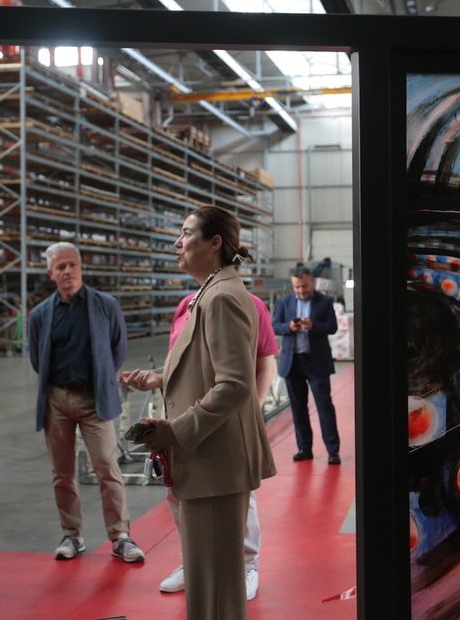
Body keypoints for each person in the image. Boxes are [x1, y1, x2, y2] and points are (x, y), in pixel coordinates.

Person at [120, 206, 276, 620]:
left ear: (214, 243)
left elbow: (235, 385)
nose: (177, 242)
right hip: (207, 461)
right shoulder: (209, 294)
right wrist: (162, 379)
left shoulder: (222, 298)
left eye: (187, 233)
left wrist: (175, 430)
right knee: (208, 583)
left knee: (215, 590)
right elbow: (207, 370)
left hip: (215, 463)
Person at [156, 290, 278, 601]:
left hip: (226, 416)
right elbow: (174, 361)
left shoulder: (250, 304)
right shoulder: (186, 304)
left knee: (239, 492)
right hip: (184, 414)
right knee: (178, 490)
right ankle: (193, 562)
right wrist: (159, 386)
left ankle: (247, 567)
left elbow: (265, 361)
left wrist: (254, 409)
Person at [27, 242, 144, 563]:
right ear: (50, 273)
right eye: (60, 267)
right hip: (56, 399)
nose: (68, 271)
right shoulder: (40, 315)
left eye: (72, 265)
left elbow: (118, 349)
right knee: (62, 472)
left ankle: (120, 536)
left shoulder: (105, 305)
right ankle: (72, 534)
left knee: (107, 466)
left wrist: (101, 378)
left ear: (81, 268)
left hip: (95, 398)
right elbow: (37, 359)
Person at [272, 267, 341, 464]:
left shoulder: (324, 301)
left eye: (304, 286)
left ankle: (333, 451)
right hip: (293, 363)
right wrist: (289, 327)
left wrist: (314, 326)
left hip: (316, 362)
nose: (301, 290)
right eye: (297, 287)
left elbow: (332, 327)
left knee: (324, 407)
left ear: (312, 282)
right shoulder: (284, 302)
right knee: (298, 408)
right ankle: (304, 448)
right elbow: (274, 325)